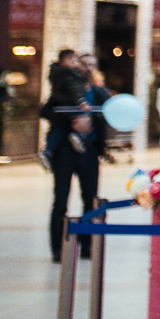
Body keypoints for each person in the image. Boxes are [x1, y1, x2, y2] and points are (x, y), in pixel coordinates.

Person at [48, 90, 103, 263]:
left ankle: (87, 245)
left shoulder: (99, 93)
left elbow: (108, 114)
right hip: (64, 151)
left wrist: (90, 121)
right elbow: (47, 112)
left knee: (90, 200)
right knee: (61, 200)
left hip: (90, 150)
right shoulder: (63, 92)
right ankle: (59, 247)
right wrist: (72, 121)